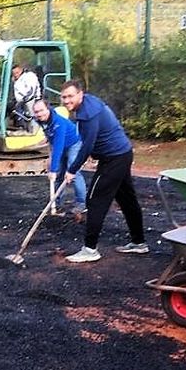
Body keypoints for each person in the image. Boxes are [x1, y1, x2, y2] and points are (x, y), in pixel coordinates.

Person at [59, 79, 148, 263]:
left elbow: (87, 146)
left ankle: (90, 249)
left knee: (94, 200)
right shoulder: (88, 104)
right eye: (64, 97)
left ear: (80, 94)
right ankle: (139, 243)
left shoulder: (88, 115)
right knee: (127, 199)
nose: (67, 100)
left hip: (114, 158)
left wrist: (72, 170)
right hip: (122, 153)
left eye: (70, 96)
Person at [30, 98, 87, 216]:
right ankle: (56, 203)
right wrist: (51, 161)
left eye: (41, 110)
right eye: (36, 112)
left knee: (73, 171)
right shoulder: (40, 120)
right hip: (60, 145)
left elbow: (58, 146)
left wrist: (53, 170)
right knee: (60, 175)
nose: (39, 114)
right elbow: (52, 140)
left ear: (48, 109)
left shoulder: (58, 123)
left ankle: (82, 203)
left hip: (74, 144)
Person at [11, 64, 41, 132]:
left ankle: (34, 131)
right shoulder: (17, 79)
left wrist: (25, 100)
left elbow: (31, 90)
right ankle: (23, 129)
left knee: (32, 116)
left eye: (17, 73)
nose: (15, 75)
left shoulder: (29, 76)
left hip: (32, 99)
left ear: (21, 70)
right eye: (14, 73)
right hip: (22, 101)